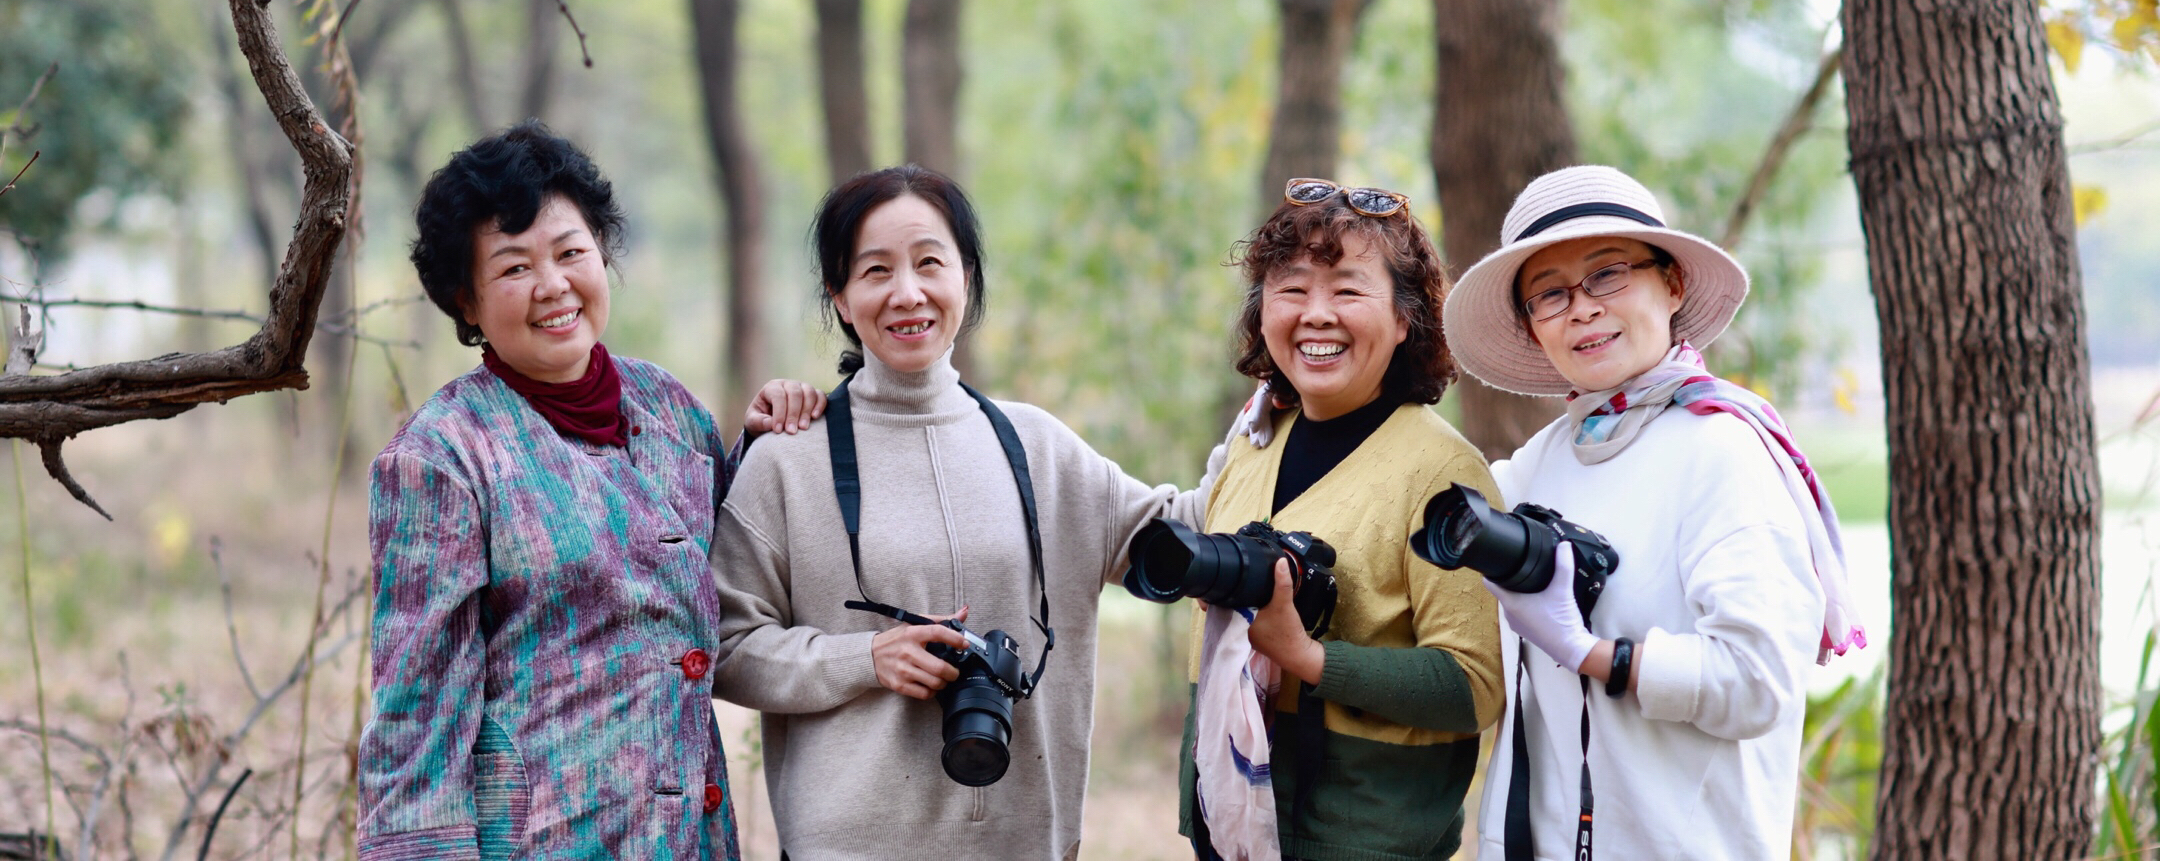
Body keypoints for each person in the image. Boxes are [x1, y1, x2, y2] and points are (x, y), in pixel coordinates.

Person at [708, 165, 1215, 861]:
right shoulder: (789, 458)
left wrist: (1274, 408)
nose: (907, 293)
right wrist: (865, 658)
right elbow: (728, 648)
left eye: (929, 263)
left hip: (1026, 844)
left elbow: (1182, 530)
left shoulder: (1038, 446)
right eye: (876, 271)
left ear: (966, 277)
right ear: (840, 295)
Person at [1441, 165, 1862, 860]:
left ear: (1672, 283)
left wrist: (1596, 655)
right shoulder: (1534, 468)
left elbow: (1759, 682)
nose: (1582, 308)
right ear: (1530, 326)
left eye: (1608, 274)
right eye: (1549, 294)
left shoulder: (1722, 451)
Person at [356, 123, 740, 861]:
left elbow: (745, 588)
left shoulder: (672, 411)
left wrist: (781, 431)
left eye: (571, 252)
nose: (553, 285)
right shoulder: (441, 459)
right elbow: (416, 722)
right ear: (466, 303)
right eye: (513, 268)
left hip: (692, 839)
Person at [1179, 178, 1506, 861]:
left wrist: (1307, 658)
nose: (1316, 314)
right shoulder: (1253, 441)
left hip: (1360, 837)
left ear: (1404, 318)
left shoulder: (1441, 471)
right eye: (1292, 290)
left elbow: (1475, 688)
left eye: (1349, 291)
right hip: (1233, 824)